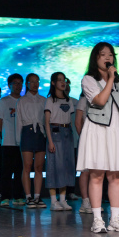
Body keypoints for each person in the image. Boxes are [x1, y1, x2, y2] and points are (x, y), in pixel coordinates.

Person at [76, 42, 119, 233]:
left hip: (116, 131)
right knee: (97, 174)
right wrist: (110, 79)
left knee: (116, 175)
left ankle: (115, 219)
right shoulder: (88, 79)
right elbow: (100, 101)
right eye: (103, 54)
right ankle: (97, 220)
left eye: (111, 54)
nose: (108, 58)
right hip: (97, 130)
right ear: (96, 58)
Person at [45, 72, 76, 211]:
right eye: (59, 80)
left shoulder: (69, 100)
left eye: (64, 80)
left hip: (67, 132)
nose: (63, 83)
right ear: (53, 83)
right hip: (55, 132)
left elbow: (70, 119)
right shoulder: (50, 100)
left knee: (66, 166)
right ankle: (53, 201)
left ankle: (63, 199)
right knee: (54, 165)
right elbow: (46, 122)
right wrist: (50, 141)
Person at [16, 73, 47, 208]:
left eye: (37, 81)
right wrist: (19, 140)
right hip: (27, 132)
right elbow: (18, 121)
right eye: (32, 82)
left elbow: (46, 120)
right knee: (27, 166)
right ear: (27, 84)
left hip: (40, 132)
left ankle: (37, 196)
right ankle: (28, 197)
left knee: (39, 167)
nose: (35, 84)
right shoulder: (22, 100)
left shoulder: (44, 100)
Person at [0, 74, 26, 206]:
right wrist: (3, 134)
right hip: (8, 141)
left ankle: (18, 196)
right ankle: (5, 197)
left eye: (20, 83)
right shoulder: (4, 101)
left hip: (23, 141)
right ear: (9, 85)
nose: (18, 86)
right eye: (15, 83)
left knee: (20, 170)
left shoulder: (24, 101)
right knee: (6, 171)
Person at [74, 92, 92, 214]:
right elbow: (77, 122)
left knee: (96, 170)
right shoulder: (83, 99)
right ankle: (85, 201)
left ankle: (94, 201)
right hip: (87, 137)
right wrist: (84, 137)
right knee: (85, 170)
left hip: (99, 138)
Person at [65, 77, 80, 201]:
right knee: (61, 167)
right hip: (60, 140)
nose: (66, 87)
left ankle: (70, 191)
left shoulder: (76, 102)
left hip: (74, 140)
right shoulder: (52, 102)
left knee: (73, 167)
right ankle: (60, 193)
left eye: (68, 84)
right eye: (64, 84)